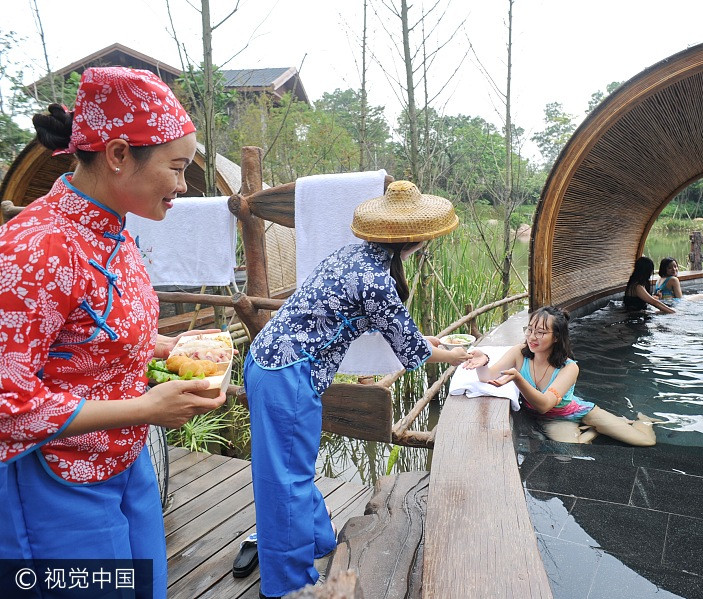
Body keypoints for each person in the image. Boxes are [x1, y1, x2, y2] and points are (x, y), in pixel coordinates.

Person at [0, 67, 226, 598]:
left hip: (125, 460)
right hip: (55, 478)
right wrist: (146, 408)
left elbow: (88, 331)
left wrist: (164, 346)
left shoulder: (113, 228)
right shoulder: (35, 248)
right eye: (176, 168)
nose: (183, 186)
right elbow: (8, 403)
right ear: (119, 154)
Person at [244, 180, 471, 598]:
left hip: (267, 361)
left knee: (288, 470)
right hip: (287, 376)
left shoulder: (352, 255)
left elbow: (389, 329)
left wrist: (428, 342)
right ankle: (286, 586)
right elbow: (410, 351)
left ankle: (317, 541)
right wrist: (453, 355)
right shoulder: (377, 281)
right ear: (418, 240)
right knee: (285, 481)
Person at [463, 306, 658, 446]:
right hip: (554, 420)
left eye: (540, 332)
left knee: (645, 441)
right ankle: (593, 429)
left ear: (556, 337)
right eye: (529, 330)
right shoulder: (519, 353)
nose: (532, 337)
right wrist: (484, 361)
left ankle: (643, 420)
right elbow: (487, 376)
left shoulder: (569, 367)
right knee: (569, 450)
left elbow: (545, 404)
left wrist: (518, 379)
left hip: (576, 410)